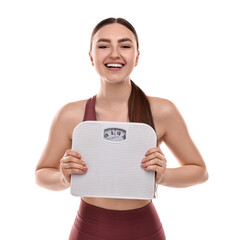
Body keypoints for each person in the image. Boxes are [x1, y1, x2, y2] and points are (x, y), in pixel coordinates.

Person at [35, 17, 208, 240]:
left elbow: (199, 171)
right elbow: (41, 174)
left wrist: (162, 176)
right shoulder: (70, 115)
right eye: (104, 45)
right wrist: (63, 177)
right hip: (88, 230)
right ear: (91, 56)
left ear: (136, 57)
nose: (114, 54)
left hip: (145, 230)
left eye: (125, 46)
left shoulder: (163, 111)